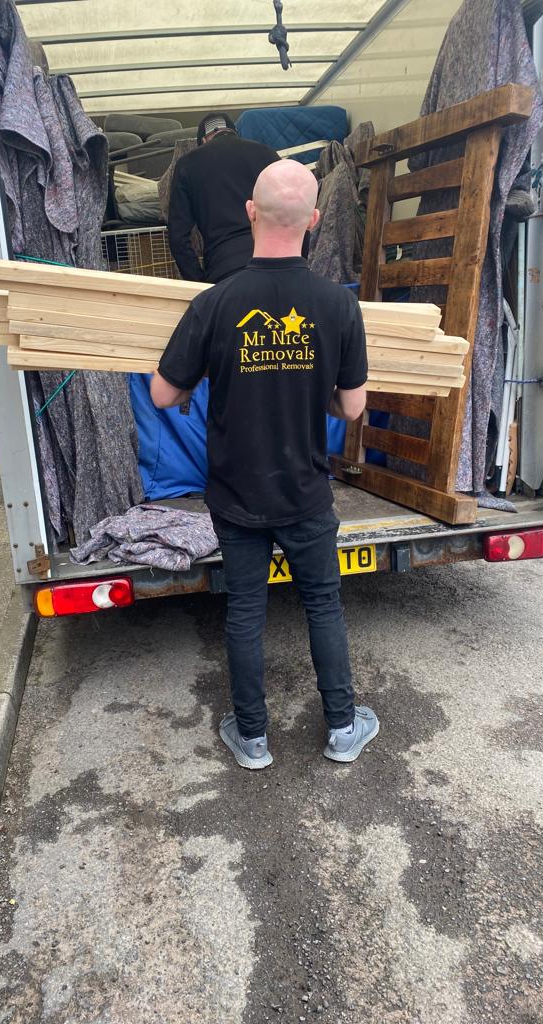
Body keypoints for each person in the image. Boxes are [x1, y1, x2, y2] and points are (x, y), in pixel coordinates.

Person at [150, 160, 379, 770]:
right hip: (305, 492)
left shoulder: (215, 302)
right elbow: (352, 408)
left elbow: (162, 395)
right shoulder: (337, 305)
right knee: (323, 603)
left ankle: (252, 738)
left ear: (249, 214)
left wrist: (217, 376)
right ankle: (342, 729)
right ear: (316, 221)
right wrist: (309, 384)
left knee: (246, 609)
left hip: (235, 492)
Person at [167, 112, 279, 284]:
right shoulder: (266, 153)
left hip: (224, 269)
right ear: (233, 132)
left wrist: (198, 281)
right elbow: (294, 210)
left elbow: (178, 236)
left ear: (203, 140)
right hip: (275, 262)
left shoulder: (187, 165)